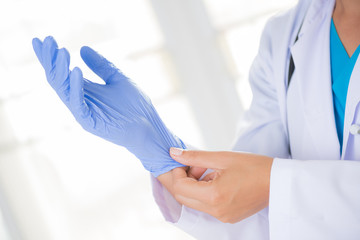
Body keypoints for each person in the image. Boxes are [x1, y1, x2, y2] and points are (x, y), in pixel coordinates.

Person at [32, 0, 360, 239]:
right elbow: (256, 212)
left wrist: (275, 184)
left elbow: (271, 185)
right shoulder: (283, 36)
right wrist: (163, 153)